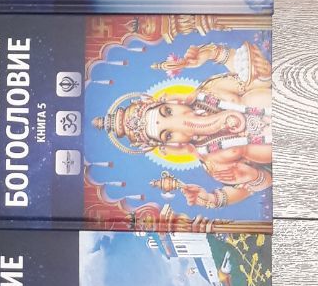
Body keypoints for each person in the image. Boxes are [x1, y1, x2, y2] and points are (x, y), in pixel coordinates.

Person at [92, 39, 271, 209]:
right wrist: (252, 177)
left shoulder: (210, 92)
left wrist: (210, 53)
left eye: (168, 112)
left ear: (170, 101)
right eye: (168, 134)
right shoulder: (212, 161)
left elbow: (251, 79)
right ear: (169, 145)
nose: (179, 123)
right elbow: (261, 183)